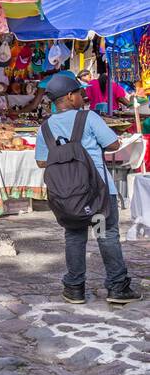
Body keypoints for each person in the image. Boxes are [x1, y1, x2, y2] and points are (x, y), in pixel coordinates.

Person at [35, 73, 142, 307]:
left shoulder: (45, 127)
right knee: (105, 234)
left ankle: (74, 288)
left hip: (67, 197)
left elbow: (42, 162)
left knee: (74, 236)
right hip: (98, 195)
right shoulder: (89, 117)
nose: (84, 96)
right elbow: (113, 144)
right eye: (80, 93)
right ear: (70, 96)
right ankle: (117, 287)